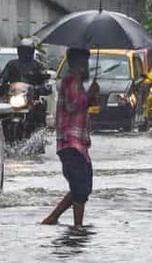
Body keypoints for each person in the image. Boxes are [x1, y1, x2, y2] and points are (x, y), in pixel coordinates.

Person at [42, 48, 99, 228]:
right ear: (75, 62)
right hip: (70, 143)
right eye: (82, 61)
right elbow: (73, 105)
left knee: (83, 186)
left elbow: (79, 106)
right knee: (80, 186)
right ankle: (78, 226)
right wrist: (88, 97)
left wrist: (91, 98)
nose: (85, 65)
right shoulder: (70, 80)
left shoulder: (78, 82)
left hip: (79, 143)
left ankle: (53, 217)